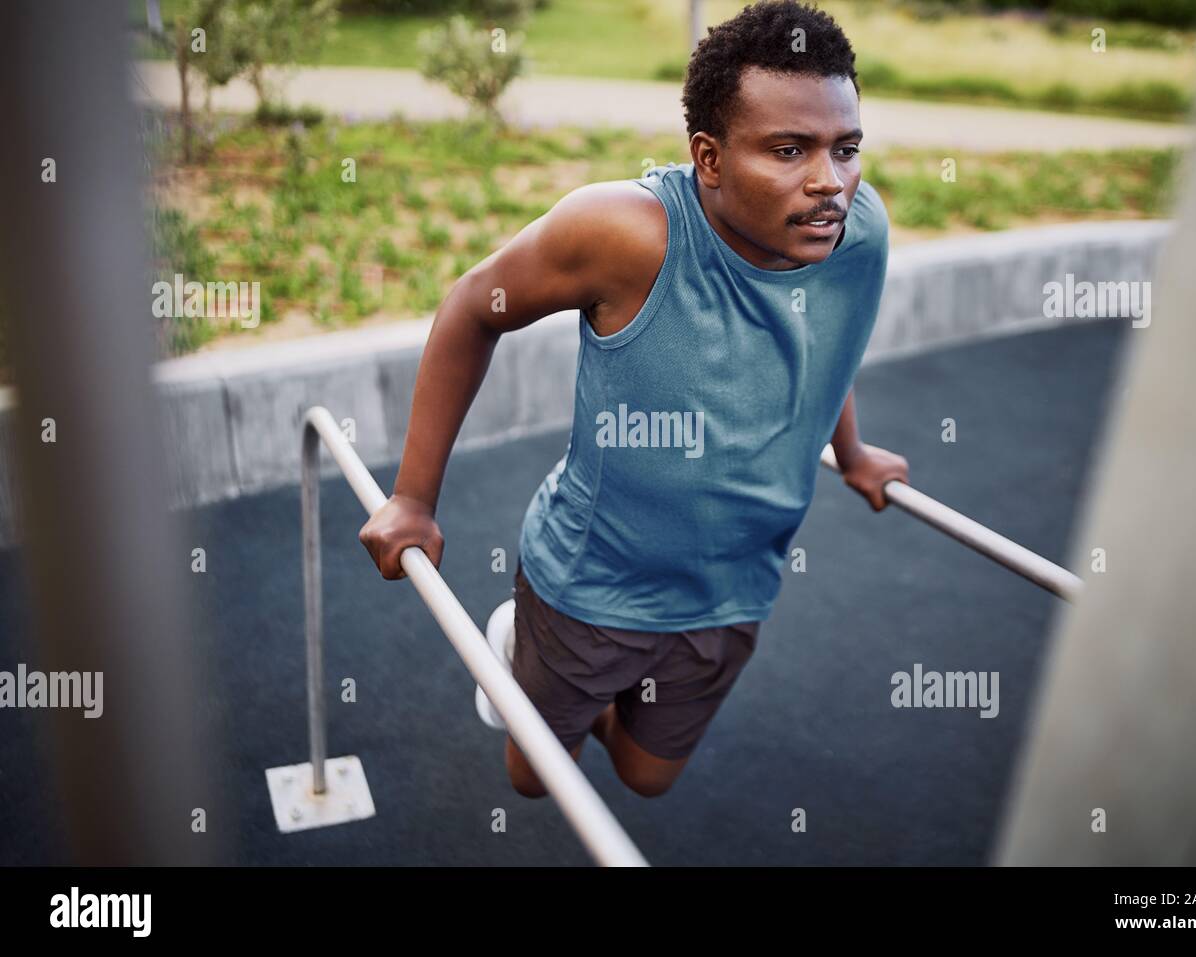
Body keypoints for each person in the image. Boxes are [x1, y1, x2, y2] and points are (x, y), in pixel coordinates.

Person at [359, 0, 909, 800]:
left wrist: (853, 453)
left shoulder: (855, 231)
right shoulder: (628, 234)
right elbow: (473, 307)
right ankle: (524, 649)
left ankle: (585, 706)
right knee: (536, 780)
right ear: (709, 158)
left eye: (845, 147)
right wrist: (412, 497)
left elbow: (822, 346)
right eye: (789, 150)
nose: (829, 181)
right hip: (592, 581)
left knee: (647, 777)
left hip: (735, 582)